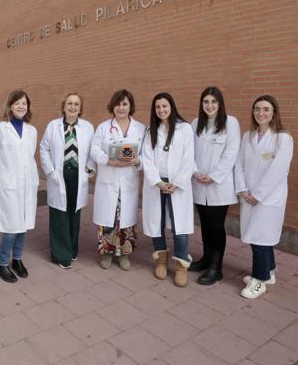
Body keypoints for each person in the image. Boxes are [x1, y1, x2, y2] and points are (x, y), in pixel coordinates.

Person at [235, 94, 293, 299]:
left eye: (266, 109)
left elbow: (278, 171)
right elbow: (239, 164)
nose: (261, 113)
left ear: (274, 112)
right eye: (257, 109)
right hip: (248, 195)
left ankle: (258, 281)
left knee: (260, 239)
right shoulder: (247, 136)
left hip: (268, 199)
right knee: (258, 237)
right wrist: (242, 190)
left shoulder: (282, 138)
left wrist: (257, 195)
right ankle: (269, 272)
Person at [142, 92, 195, 287]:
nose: (161, 110)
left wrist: (177, 182)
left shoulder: (185, 129)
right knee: (157, 222)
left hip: (177, 185)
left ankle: (181, 265)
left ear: (171, 107)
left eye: (164, 106)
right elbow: (147, 159)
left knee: (180, 225)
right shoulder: (150, 131)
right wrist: (157, 181)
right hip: (157, 184)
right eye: (158, 107)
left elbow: (189, 159)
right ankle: (161, 261)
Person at [189, 87, 241, 285]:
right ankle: (206, 259)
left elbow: (231, 153)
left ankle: (216, 268)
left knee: (216, 226)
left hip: (219, 185)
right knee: (204, 224)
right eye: (205, 102)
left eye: (213, 102)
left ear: (220, 103)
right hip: (199, 183)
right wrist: (195, 172)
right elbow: (189, 152)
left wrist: (213, 176)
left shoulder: (231, 123)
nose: (209, 106)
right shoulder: (196, 124)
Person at [90, 89, 145, 270]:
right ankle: (106, 252)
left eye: (124, 104)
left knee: (125, 220)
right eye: (118, 104)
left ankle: (123, 255)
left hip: (128, 181)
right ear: (112, 106)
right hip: (109, 179)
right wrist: (109, 161)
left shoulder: (140, 129)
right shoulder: (104, 127)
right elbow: (95, 150)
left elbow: (148, 155)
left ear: (130, 106)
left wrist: (137, 161)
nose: (121, 108)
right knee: (109, 218)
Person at [0, 90, 39, 283]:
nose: (21, 106)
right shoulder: (0, 129)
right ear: (10, 106)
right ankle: (2, 264)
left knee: (23, 224)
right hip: (9, 184)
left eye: (24, 103)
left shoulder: (31, 130)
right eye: (17, 103)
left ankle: (17, 259)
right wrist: (9, 174)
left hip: (28, 183)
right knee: (11, 227)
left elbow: (29, 156)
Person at [40, 93, 94, 269]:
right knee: (59, 214)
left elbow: (94, 150)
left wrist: (89, 169)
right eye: (69, 103)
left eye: (76, 104)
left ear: (80, 108)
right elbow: (44, 148)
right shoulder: (53, 126)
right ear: (64, 106)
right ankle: (61, 255)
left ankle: (72, 250)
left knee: (74, 213)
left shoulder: (87, 127)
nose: (72, 107)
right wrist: (50, 171)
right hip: (59, 175)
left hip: (78, 176)